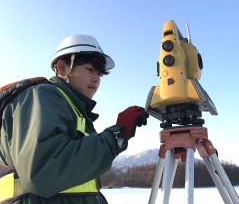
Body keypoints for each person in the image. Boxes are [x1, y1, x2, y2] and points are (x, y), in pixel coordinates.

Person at [0, 34, 149, 204]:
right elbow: (42, 172)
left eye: (100, 73)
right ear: (63, 68)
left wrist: (120, 133)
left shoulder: (73, 109)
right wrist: (115, 137)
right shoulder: (42, 96)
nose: (96, 79)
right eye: (90, 69)